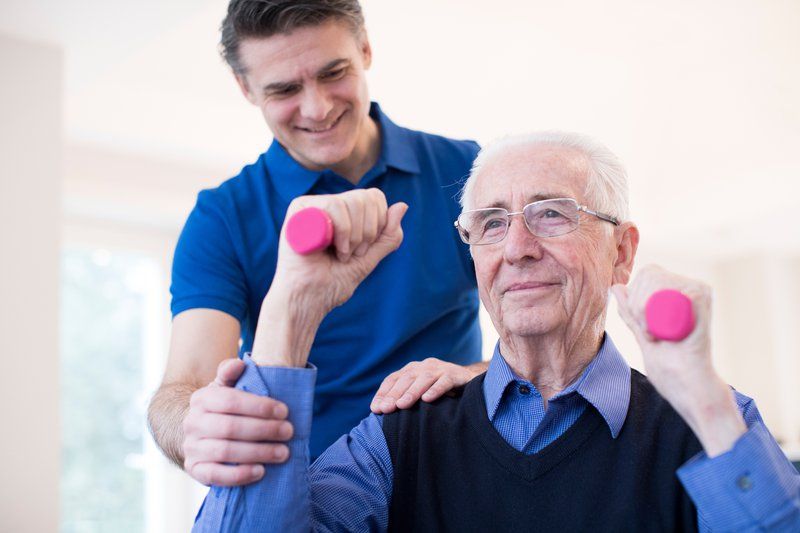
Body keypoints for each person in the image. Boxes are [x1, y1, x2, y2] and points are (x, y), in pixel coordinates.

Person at [192, 131, 800, 532]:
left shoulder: (714, 425)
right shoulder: (399, 436)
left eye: (551, 215)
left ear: (621, 251)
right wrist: (287, 317)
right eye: (490, 223)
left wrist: (702, 401)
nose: (516, 248)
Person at [147, 0, 491, 484]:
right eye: (285, 89)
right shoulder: (222, 219)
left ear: (365, 48)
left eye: (334, 73)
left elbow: (548, 339)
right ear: (246, 88)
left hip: (454, 480)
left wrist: (479, 377)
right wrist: (196, 427)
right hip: (309, 498)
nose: (318, 107)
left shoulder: (466, 172)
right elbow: (183, 386)